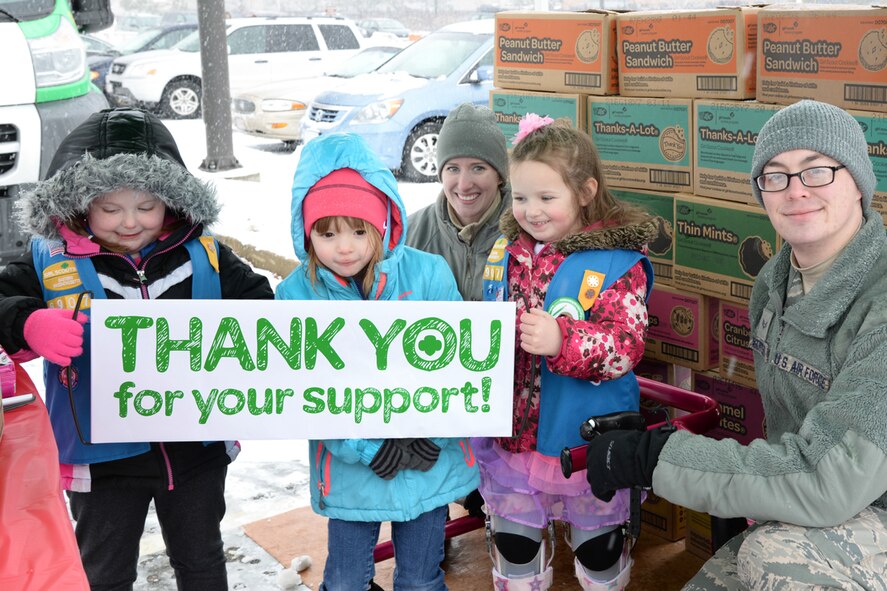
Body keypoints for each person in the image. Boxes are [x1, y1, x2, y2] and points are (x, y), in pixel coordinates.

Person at [584, 99, 887, 590]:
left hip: (858, 508)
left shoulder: (881, 307)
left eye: (816, 171)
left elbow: (831, 482)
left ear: (857, 181)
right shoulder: (773, 284)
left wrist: (659, 458)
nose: (795, 192)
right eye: (775, 176)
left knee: (770, 556)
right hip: (821, 514)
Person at [0, 107, 274, 590]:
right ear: (82, 205)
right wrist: (29, 322)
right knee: (103, 571)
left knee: (202, 561)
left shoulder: (205, 253)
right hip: (101, 457)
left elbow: (262, 311)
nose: (130, 223)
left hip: (196, 448)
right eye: (110, 208)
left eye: (146, 206)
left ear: (171, 202)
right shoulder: (48, 260)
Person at [275, 131, 480, 591]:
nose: (343, 247)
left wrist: (433, 432)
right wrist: (366, 445)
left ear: (383, 224)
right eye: (326, 233)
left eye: (358, 231)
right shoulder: (295, 295)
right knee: (346, 582)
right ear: (307, 232)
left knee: (421, 579)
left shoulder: (428, 274)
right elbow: (302, 391)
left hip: (428, 465)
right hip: (353, 472)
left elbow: (462, 368)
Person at [477, 114, 657, 591]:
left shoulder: (617, 263)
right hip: (513, 440)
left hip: (585, 440)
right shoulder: (505, 254)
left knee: (599, 550)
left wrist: (563, 340)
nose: (531, 211)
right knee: (515, 544)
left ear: (584, 192)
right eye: (519, 197)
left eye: (546, 198)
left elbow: (626, 345)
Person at [406, 103, 511, 302]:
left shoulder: (528, 229)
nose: (464, 185)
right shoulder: (409, 236)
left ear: (499, 176)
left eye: (478, 168)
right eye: (453, 169)